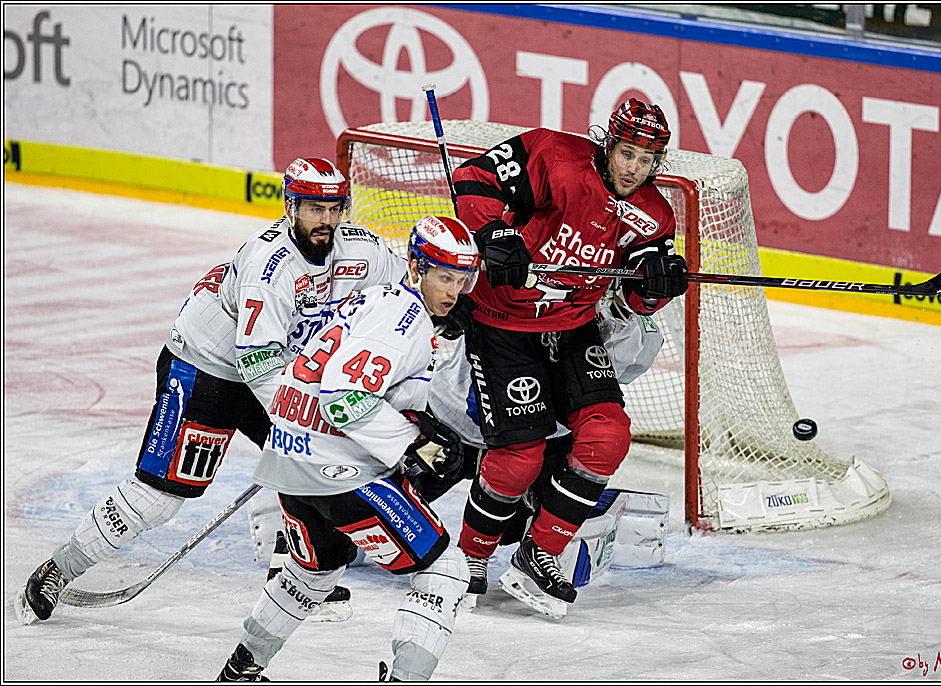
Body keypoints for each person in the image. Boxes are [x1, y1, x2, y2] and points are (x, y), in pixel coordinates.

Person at [16, 157, 408, 625]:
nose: (325, 221)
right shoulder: (272, 266)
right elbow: (257, 360)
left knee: (315, 462)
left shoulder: (358, 249)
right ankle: (60, 567)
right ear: (290, 206)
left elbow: (410, 280)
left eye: (333, 208)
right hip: (206, 368)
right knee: (159, 498)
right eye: (312, 209)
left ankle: (287, 565)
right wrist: (301, 422)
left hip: (272, 365)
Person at [449, 97, 689, 618]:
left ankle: (541, 553)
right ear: (608, 143)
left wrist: (659, 285)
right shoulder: (553, 156)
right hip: (502, 324)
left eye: (647, 160)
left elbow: (636, 296)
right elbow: (472, 177)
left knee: (608, 436)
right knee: (520, 458)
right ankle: (468, 560)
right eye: (627, 153)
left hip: (575, 329)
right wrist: (495, 234)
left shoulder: (655, 214)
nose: (634, 168)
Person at [215, 215, 477, 682]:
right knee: (447, 571)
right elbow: (343, 393)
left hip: (290, 459)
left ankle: (241, 669)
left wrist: (414, 422)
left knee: (312, 573)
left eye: (460, 280)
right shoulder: (405, 318)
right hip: (337, 469)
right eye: (443, 277)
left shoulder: (373, 298)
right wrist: (410, 443)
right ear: (416, 268)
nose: (452, 292)